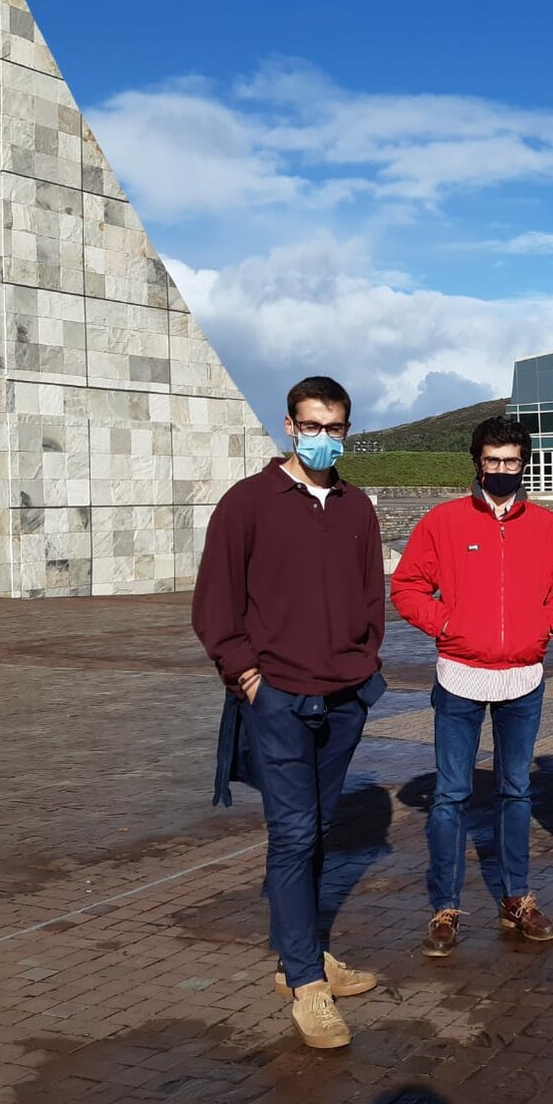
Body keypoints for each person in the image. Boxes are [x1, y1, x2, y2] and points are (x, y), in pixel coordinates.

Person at [193, 375, 388, 1051]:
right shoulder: (247, 503)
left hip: (344, 698)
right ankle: (306, 981)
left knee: (320, 827)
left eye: (334, 427)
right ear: (289, 425)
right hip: (275, 698)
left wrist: (364, 662)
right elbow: (215, 603)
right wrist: (247, 675)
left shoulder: (356, 507)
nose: (322, 438)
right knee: (295, 832)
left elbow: (371, 596)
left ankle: (300, 953)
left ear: (347, 430)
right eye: (311, 425)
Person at [391, 416, 553, 957]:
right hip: (460, 676)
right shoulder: (443, 522)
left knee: (515, 790)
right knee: (451, 795)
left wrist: (543, 627)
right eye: (493, 460)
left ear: (524, 465)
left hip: (523, 678)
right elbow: (407, 587)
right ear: (478, 462)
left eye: (511, 461)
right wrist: (447, 624)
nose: (502, 469)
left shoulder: (548, 527)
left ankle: (516, 897)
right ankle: (445, 908)